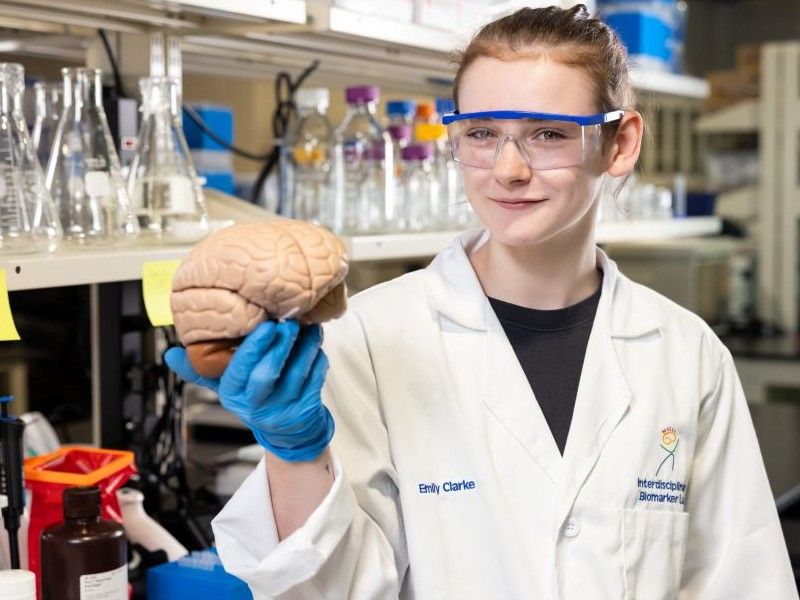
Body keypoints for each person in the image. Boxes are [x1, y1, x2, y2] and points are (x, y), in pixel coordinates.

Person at [166, 5, 797, 599]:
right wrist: (291, 450)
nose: (508, 169)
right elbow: (330, 588)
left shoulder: (687, 355)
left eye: (548, 134)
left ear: (620, 143)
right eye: (482, 133)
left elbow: (744, 580)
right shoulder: (369, 336)